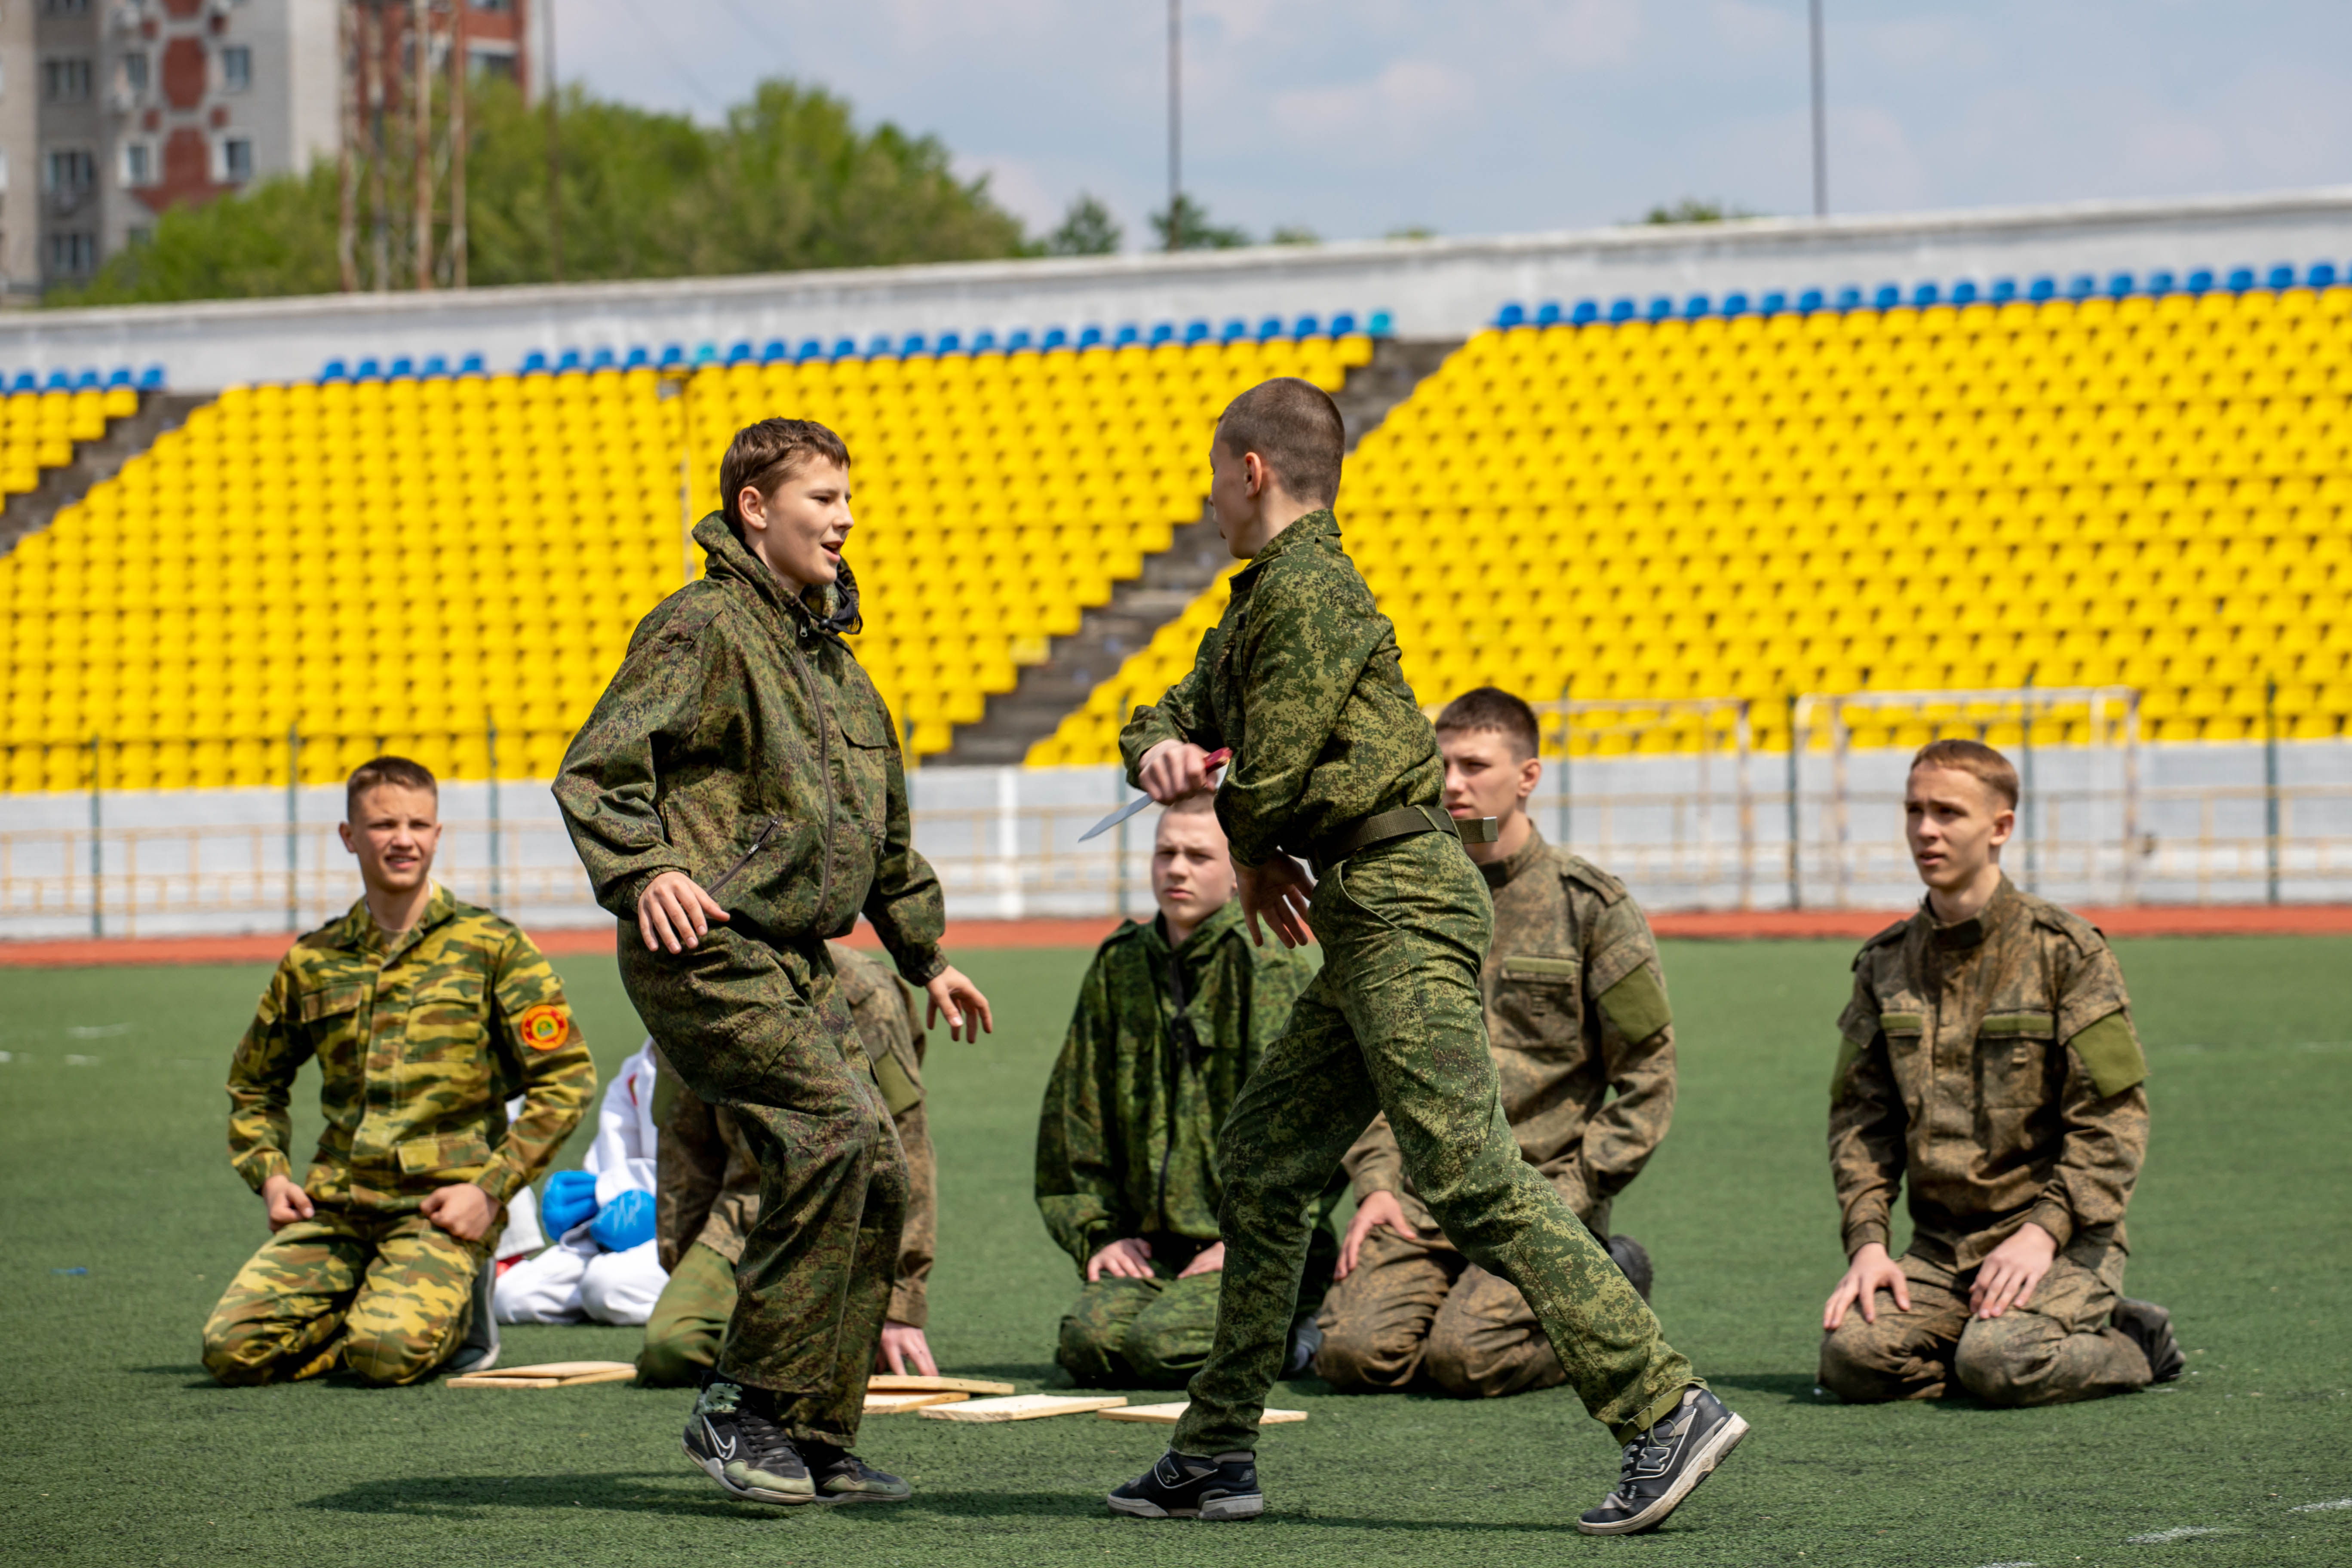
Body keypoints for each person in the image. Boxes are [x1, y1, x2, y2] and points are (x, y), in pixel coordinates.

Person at [1104, 378, 1743, 1534]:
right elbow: (1164, 711)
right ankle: (1211, 1453)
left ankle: (1664, 1404)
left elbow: (1280, 762)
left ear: (1250, 471)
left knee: (1459, 1163)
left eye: (1212, 475)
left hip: (1394, 895)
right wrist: (1161, 755)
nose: (1204, 501)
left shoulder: (1308, 591)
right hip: (1360, 907)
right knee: (1256, 1158)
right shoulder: (1256, 606)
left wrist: (1237, 833)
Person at [555, 417, 991, 1509]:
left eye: (848, 501)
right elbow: (598, 770)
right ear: (755, 508)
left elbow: (879, 835)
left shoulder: (836, 665)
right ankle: (739, 1407)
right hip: (703, 950)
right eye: (823, 500)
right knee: (834, 1134)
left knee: (880, 1170)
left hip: (795, 958)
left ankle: (811, 1431)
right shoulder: (702, 626)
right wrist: (645, 868)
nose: (846, 520)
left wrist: (925, 953)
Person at [1316, 686, 1674, 1399]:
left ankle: (1612, 1276)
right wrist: (1378, 1184)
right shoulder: (1401, 901)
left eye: (1475, 765)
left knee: (1465, 1360)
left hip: (1539, 1197)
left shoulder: (1589, 907)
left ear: (1527, 776)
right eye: (1442, 763)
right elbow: (1370, 1063)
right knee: (1351, 1356)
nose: (1453, 782)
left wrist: (1579, 1189)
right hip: (1423, 1202)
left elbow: (1647, 1075)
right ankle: (1535, 1301)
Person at [202, 756, 596, 1387]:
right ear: (349, 836)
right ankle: (373, 1307)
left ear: (438, 834)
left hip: (442, 1206)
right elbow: (255, 1083)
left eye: (418, 823)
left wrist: (490, 1189)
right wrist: (271, 1176)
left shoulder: (491, 947)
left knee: (385, 1355)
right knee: (233, 1349)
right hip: (338, 1208)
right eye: (383, 824)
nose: (402, 838)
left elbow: (567, 1078)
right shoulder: (314, 960)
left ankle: (452, 1310)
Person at [1820, 738, 2183, 1406]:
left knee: (2000, 1360)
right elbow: (1859, 1121)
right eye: (1914, 810)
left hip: (2058, 1240)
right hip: (1939, 1250)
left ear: (2000, 827)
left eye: (1948, 812)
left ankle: (2132, 1345)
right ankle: (1969, 1350)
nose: (1925, 829)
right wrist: (1868, 1245)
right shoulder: (1884, 962)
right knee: (1852, 1358)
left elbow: (2112, 1119)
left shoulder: (2065, 952)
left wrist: (2043, 1231)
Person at [1036, 793, 1327, 1390]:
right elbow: (1074, 1113)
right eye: (1165, 852)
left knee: (1158, 1348)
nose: (1176, 868)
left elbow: (1310, 1127)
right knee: (1088, 1345)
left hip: (1255, 1244)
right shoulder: (1119, 965)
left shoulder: (1269, 962)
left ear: (1237, 870)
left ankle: (1295, 1324)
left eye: (1198, 855)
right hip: (1155, 1246)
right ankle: (1249, 1325)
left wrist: (1247, 1239)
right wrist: (1099, 1232)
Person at [638, 940, 940, 1387]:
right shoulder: (692, 990)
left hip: (846, 1216)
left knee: (825, 1358)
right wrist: (682, 1271)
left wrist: (900, 1299)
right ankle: (789, 1352)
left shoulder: (859, 989)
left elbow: (905, 1148)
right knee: (672, 1347)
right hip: (745, 1217)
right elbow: (686, 1152)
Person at [492, 1042, 666, 1328]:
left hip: (703, 1234)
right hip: (635, 1234)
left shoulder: (723, 1066)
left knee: (608, 1286)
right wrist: (593, 1206)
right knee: (511, 1296)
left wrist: (617, 1192)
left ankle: (724, 1308)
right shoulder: (638, 1069)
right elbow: (608, 1165)